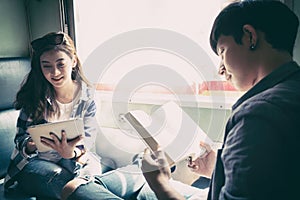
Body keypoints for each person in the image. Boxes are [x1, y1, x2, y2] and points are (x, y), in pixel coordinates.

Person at [142, 1, 300, 200]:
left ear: (249, 36)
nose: (220, 69)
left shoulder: (257, 116)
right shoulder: (291, 91)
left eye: (223, 51)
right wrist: (218, 168)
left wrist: (161, 184)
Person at [4, 31, 102, 199]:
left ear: (73, 62)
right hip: (34, 164)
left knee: (92, 172)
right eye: (46, 66)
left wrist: (70, 153)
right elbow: (20, 140)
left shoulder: (88, 97)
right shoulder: (34, 96)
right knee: (64, 182)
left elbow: (88, 141)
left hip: (73, 160)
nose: (54, 72)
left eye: (60, 64)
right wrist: (31, 144)